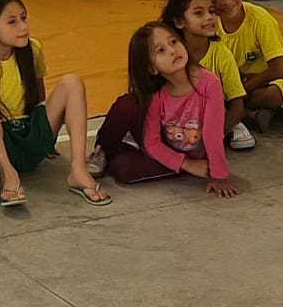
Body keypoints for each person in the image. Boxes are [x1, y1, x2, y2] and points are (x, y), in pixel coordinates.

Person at [0, 0, 107, 207]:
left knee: (72, 82)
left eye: (23, 18)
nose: (23, 27)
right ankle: (9, 175)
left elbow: (39, 97)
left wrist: (46, 138)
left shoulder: (33, 49)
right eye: (12, 22)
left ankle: (78, 170)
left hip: (29, 139)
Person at [94, 21, 236, 196]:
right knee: (126, 105)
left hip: (187, 151)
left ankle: (123, 150)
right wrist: (186, 164)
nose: (172, 51)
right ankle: (103, 151)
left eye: (174, 42)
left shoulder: (209, 83)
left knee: (124, 169)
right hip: (169, 148)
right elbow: (152, 142)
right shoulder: (157, 95)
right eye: (160, 50)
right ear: (151, 68)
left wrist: (219, 175)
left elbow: (212, 133)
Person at [194, 0, 283, 130]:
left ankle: (243, 111)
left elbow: (278, 70)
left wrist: (239, 91)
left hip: (266, 83)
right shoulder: (209, 25)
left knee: (275, 94)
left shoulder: (260, 19)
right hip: (233, 84)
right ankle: (251, 114)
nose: (226, 1)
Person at [161, 0, 252, 150]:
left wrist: (215, 133)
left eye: (211, 11)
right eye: (199, 13)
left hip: (211, 115)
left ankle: (232, 127)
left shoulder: (221, 53)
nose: (210, 17)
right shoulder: (168, 52)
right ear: (179, 22)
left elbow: (237, 105)